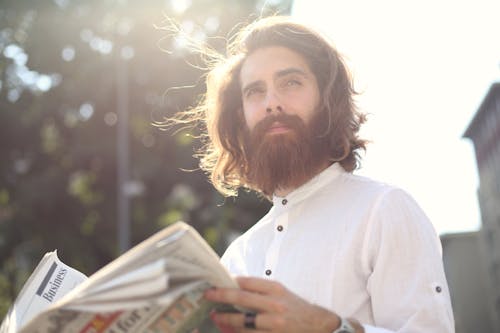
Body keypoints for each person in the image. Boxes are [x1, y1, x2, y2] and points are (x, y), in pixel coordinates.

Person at [176, 16, 454, 333]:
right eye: (255, 91)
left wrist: (331, 328)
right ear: (241, 117)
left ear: (327, 98)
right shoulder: (237, 257)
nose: (271, 103)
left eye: (290, 83)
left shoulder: (384, 209)